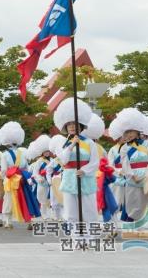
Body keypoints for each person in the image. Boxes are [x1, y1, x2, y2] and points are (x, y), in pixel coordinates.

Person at [54, 98, 99, 239]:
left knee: (89, 210)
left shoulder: (90, 143)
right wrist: (72, 145)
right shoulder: (63, 143)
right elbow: (63, 160)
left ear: (80, 125)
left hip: (85, 178)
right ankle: (76, 238)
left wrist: (84, 171)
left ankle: (89, 237)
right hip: (69, 178)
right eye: (69, 124)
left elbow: (95, 162)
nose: (72, 127)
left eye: (75, 124)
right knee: (71, 211)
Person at [0, 121, 39, 229]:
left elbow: (3, 170)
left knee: (8, 200)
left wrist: (4, 179)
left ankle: (8, 221)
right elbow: (26, 168)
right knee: (26, 198)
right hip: (22, 179)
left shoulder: (5, 155)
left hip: (10, 180)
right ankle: (29, 220)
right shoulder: (23, 153)